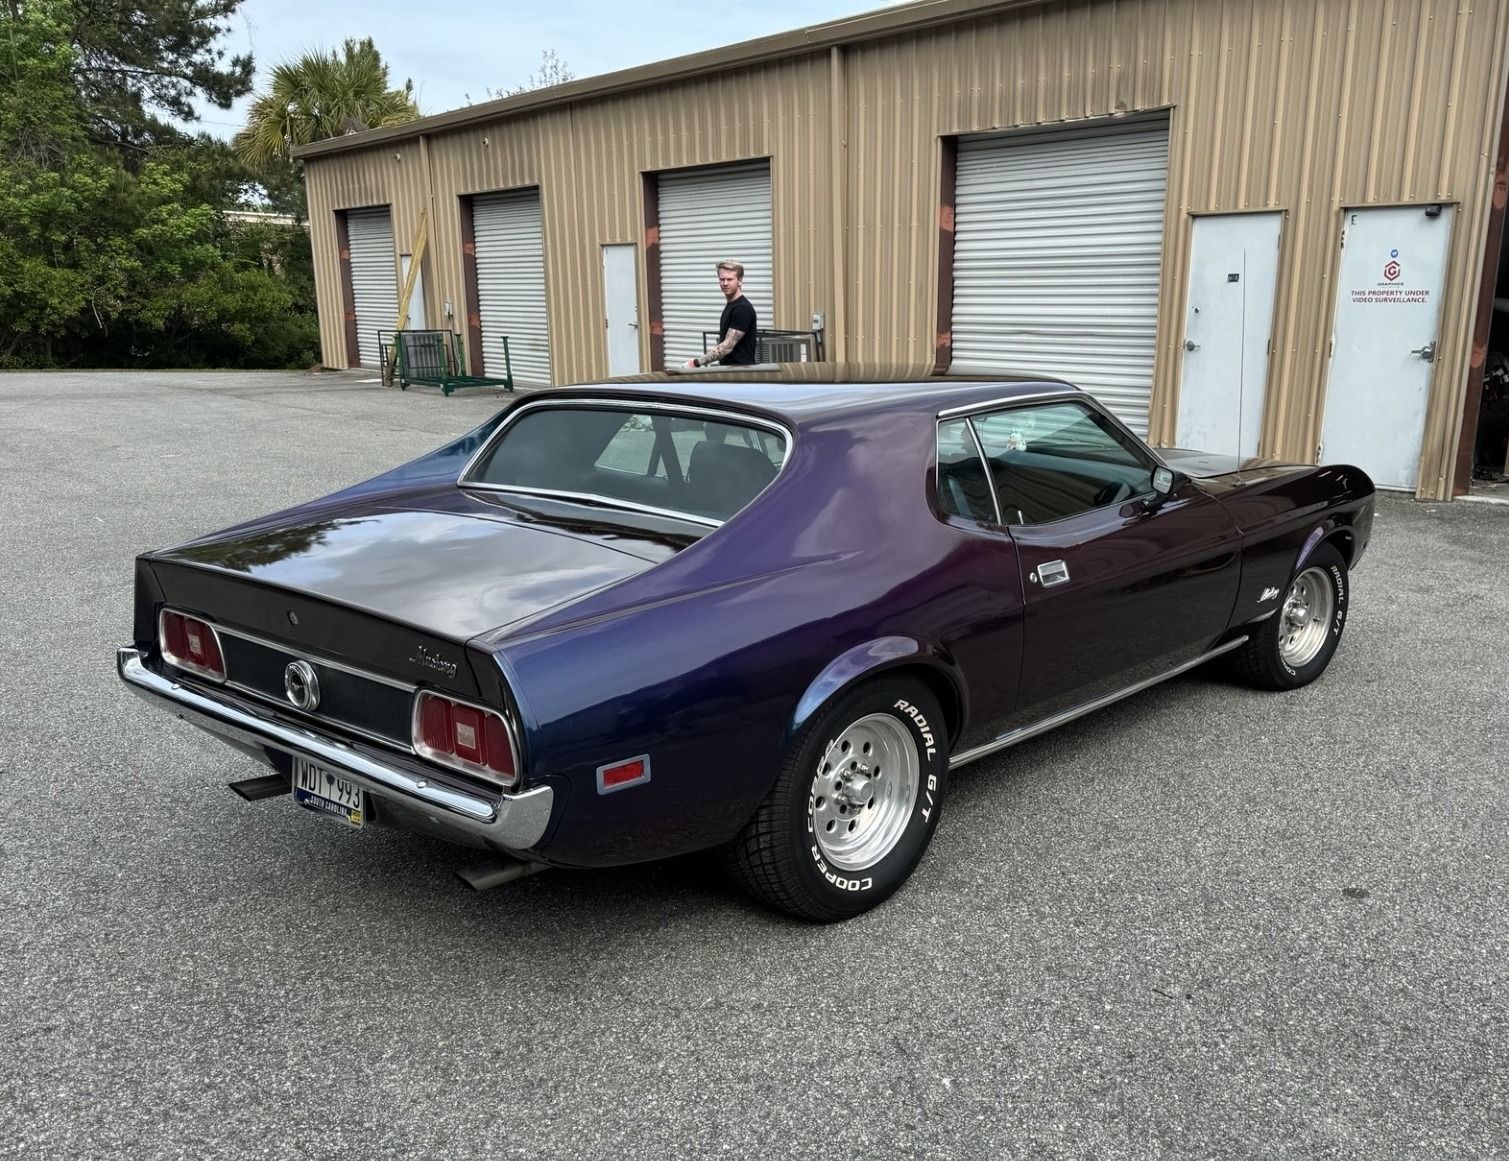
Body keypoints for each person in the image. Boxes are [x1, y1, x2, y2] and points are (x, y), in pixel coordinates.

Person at [685, 260, 757, 367]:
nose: (725, 283)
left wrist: (696, 363)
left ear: (740, 280)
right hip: (730, 370)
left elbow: (726, 347)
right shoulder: (732, 306)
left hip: (741, 373)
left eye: (730, 279)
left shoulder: (742, 309)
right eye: (722, 279)